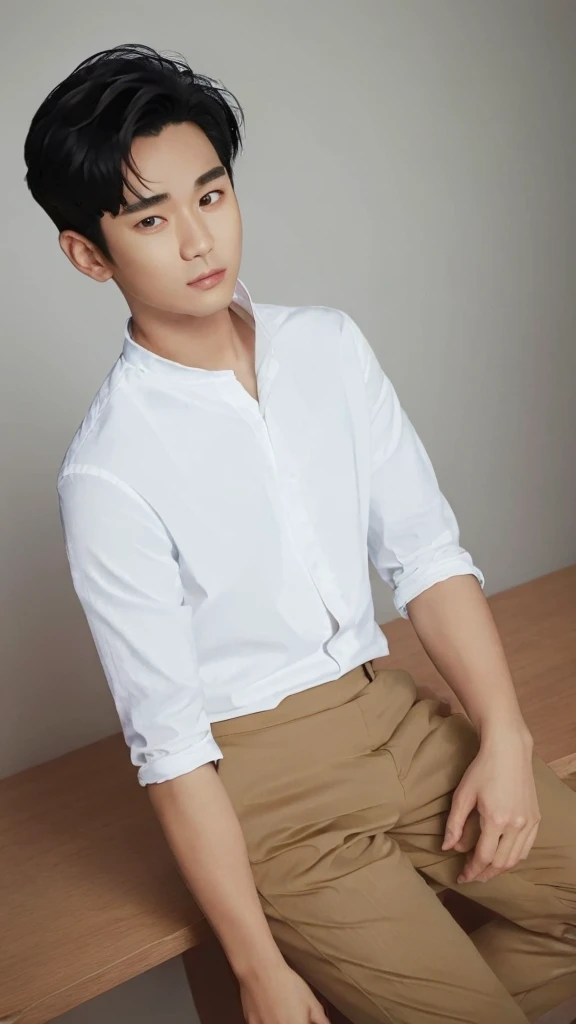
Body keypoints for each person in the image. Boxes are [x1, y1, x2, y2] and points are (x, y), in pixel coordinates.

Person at [24, 43, 576, 1024]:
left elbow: (426, 553)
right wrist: (256, 967)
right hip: (269, 790)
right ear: (88, 252)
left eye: (212, 194)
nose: (199, 240)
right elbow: (171, 744)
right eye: (151, 218)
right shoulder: (108, 469)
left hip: (397, 713)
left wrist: (504, 731)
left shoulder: (326, 345)